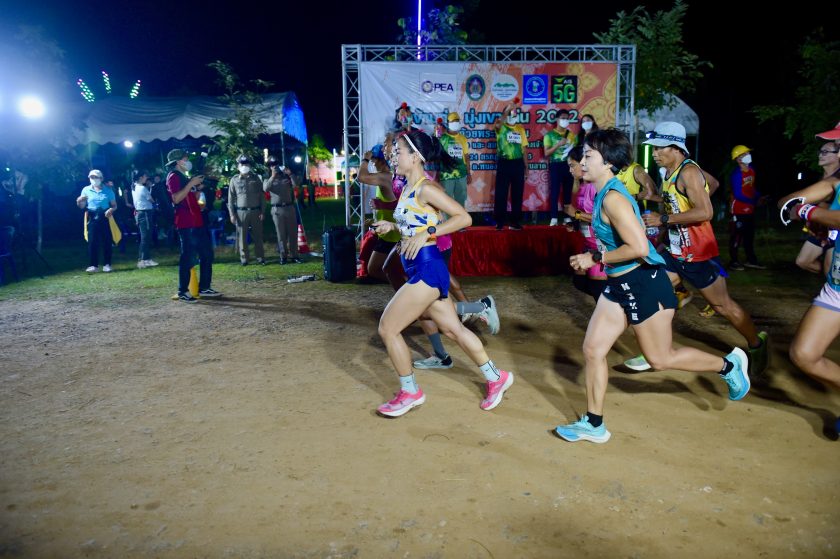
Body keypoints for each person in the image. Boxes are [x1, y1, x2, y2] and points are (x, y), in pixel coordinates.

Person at [554, 128, 750, 444]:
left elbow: (639, 248)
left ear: (608, 162)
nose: (583, 161)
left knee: (660, 359)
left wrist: (595, 258)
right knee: (593, 349)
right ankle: (594, 423)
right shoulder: (602, 193)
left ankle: (729, 365)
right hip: (619, 284)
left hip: (643, 283)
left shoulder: (614, 199)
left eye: (589, 155)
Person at [372, 129, 513, 417]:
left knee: (388, 328)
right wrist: (393, 227)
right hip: (418, 266)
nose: (393, 156)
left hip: (427, 268)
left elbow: (464, 218)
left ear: (415, 157)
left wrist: (429, 232)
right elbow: (414, 223)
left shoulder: (426, 188)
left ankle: (410, 392)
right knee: (453, 329)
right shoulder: (408, 187)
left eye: (398, 152)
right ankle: (496, 377)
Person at [637, 122, 768, 376]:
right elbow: (713, 184)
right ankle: (656, 350)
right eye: (653, 148)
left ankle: (757, 344)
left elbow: (706, 212)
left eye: (659, 148)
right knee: (652, 291)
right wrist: (667, 220)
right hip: (675, 251)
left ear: (676, 148)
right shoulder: (672, 171)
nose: (654, 153)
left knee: (722, 306)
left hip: (698, 254)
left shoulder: (688, 172)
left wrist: (663, 219)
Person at [782, 132, 840, 436]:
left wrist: (808, 211)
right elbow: (788, 202)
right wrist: (799, 208)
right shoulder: (834, 182)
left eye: (838, 146)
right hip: (837, 287)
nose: (834, 151)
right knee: (804, 354)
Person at [165, 149, 222, 302]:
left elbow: (189, 196)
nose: (188, 161)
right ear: (178, 162)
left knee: (206, 254)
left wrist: (197, 190)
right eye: (186, 159)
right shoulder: (173, 176)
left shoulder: (184, 177)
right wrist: (191, 183)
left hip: (196, 220)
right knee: (188, 256)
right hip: (186, 222)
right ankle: (182, 291)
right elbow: (176, 198)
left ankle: (204, 287)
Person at [780, 140, 840, 274]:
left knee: (830, 268)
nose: (820, 155)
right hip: (820, 229)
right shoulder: (822, 178)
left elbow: (825, 205)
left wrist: (806, 211)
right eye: (820, 151)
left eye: (825, 152)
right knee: (802, 261)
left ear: (838, 155)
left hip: (834, 230)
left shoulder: (837, 180)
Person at [566, 146, 606, 301]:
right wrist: (576, 223)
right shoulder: (582, 186)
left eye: (572, 165)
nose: (570, 170)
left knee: (598, 288)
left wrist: (576, 214)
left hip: (601, 245)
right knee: (579, 281)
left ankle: (614, 309)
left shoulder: (595, 187)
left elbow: (605, 218)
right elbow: (584, 214)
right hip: (588, 243)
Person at [728, 145, 765, 270]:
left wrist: (758, 196)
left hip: (749, 209)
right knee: (737, 236)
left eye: (748, 153)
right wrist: (753, 201)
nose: (748, 155)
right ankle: (733, 261)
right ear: (738, 159)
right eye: (744, 154)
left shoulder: (751, 170)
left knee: (749, 236)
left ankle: (751, 260)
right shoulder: (737, 174)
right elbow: (738, 194)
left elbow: (751, 187)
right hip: (738, 210)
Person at [493, 101, 528, 230]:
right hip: (504, 163)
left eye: (515, 113)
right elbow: (497, 124)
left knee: (517, 193)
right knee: (501, 193)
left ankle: (515, 222)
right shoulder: (500, 126)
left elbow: (524, 149)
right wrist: (507, 109)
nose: (513, 115)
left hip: (518, 164)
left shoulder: (520, 129)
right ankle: (500, 222)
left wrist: (526, 167)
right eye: (510, 113)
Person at [227, 154, 266, 266]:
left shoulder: (256, 178)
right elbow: (231, 198)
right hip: (241, 212)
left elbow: (262, 196)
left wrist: (263, 211)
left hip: (256, 211)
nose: (244, 166)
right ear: (238, 166)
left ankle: (260, 257)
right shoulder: (234, 180)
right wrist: (232, 214)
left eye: (246, 164)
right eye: (242, 164)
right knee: (242, 237)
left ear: (249, 166)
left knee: (258, 235)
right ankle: (244, 259)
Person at [76, 169, 117, 273]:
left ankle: (107, 264)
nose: (93, 179)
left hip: (105, 216)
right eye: (91, 177)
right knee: (93, 241)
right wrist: (79, 201)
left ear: (101, 178)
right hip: (92, 216)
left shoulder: (108, 190)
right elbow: (82, 206)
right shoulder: (86, 190)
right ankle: (93, 265)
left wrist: (111, 210)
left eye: (95, 177)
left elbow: (114, 205)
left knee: (107, 240)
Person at [263, 156, 301, 264]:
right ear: (269, 167)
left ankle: (294, 255)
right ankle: (283, 256)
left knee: (293, 233)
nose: (274, 166)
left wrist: (290, 174)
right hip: (277, 209)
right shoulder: (267, 179)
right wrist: (273, 176)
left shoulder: (286, 177)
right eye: (272, 165)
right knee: (281, 234)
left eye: (276, 164)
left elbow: (296, 184)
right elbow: (265, 189)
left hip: (289, 207)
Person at [543, 110, 577, 226]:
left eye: (567, 118)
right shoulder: (549, 135)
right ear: (557, 119)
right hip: (556, 165)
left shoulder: (572, 135)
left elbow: (574, 152)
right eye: (563, 118)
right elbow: (546, 153)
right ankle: (554, 217)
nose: (565, 120)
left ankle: (567, 216)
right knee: (555, 191)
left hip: (569, 166)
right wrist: (558, 144)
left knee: (568, 191)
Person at [438, 112, 472, 210]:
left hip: (461, 175)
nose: (455, 123)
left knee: (460, 202)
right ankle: (447, 220)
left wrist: (468, 173)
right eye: (453, 121)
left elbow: (466, 157)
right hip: (446, 175)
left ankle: (460, 220)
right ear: (448, 123)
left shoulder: (463, 139)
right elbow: (437, 155)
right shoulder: (442, 138)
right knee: (446, 203)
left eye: (457, 121)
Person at [131, 170, 158, 269]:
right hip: (145, 213)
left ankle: (146, 258)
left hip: (140, 213)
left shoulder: (134, 187)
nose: (146, 178)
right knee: (145, 237)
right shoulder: (142, 188)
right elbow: (151, 200)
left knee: (145, 237)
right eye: (145, 176)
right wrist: (151, 189)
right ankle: (143, 260)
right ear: (141, 177)